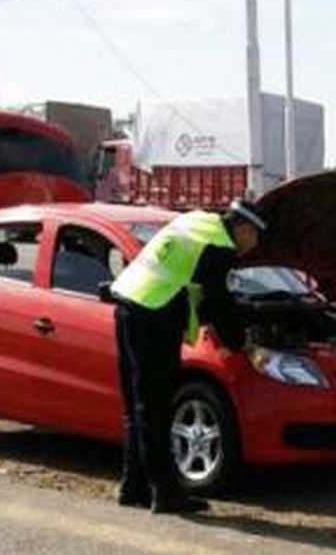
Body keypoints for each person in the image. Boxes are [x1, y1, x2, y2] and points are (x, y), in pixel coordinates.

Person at [108, 201, 267, 513]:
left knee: (137, 407)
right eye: (256, 237)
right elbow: (219, 301)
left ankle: (133, 486)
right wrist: (243, 345)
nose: (254, 246)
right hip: (153, 313)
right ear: (244, 230)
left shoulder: (197, 221)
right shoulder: (219, 245)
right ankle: (166, 494)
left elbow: (193, 283)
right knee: (155, 409)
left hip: (127, 304)